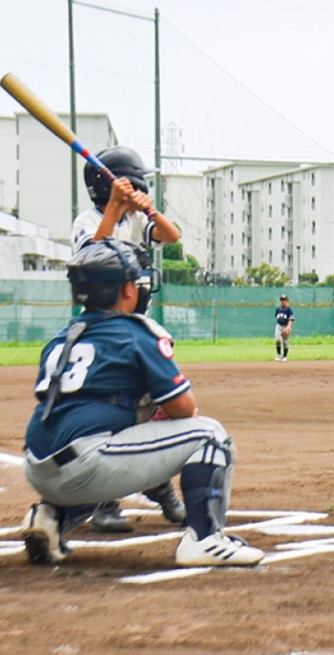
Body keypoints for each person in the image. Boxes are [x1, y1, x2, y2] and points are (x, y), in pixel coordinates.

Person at [19, 240, 263, 566]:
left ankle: (50, 517)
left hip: (37, 467)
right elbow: (184, 409)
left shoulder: (60, 339)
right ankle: (205, 539)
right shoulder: (135, 331)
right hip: (87, 465)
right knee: (210, 435)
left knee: (112, 441)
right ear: (127, 289)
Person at [71, 145, 185, 534]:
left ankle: (158, 482)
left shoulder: (138, 220)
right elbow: (91, 258)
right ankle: (106, 501)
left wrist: (147, 209)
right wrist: (115, 210)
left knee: (158, 403)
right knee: (113, 407)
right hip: (102, 331)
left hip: (139, 327)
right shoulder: (87, 220)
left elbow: (171, 235)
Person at [275, 295, 294, 361]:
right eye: (282, 300)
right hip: (279, 326)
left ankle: (285, 356)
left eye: (284, 300)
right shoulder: (278, 309)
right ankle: (278, 355)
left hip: (286, 326)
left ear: (287, 302)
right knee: (277, 340)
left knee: (285, 342)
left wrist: (289, 327)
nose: (283, 301)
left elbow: (291, 319)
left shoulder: (289, 310)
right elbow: (277, 318)